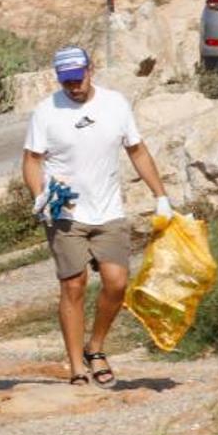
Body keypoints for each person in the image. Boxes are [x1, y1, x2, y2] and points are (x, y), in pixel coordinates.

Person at [22, 46, 172, 387]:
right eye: (67, 81)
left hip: (109, 210)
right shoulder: (46, 112)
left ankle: (96, 346)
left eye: (79, 78)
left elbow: (136, 149)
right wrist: (40, 195)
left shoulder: (115, 104)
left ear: (92, 69)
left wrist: (160, 195)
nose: (74, 87)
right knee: (73, 286)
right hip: (66, 212)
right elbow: (31, 160)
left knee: (117, 282)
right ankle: (76, 366)